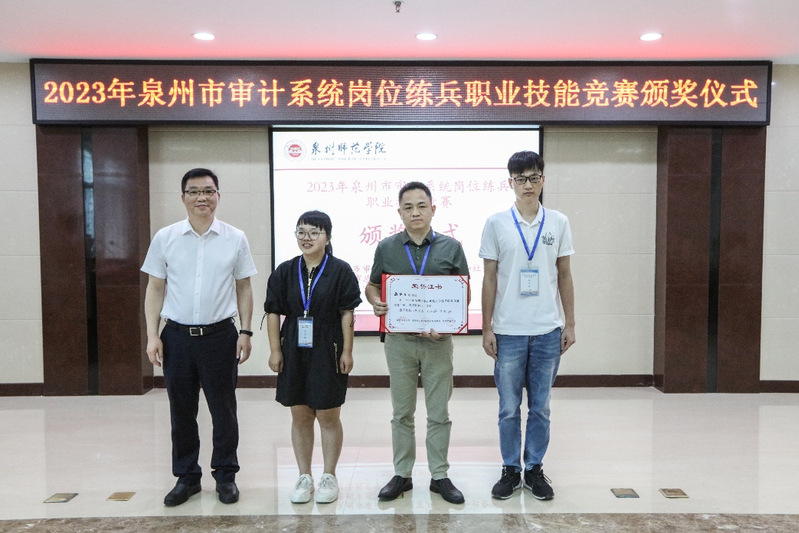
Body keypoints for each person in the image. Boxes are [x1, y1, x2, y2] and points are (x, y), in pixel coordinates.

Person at [142, 168, 256, 507]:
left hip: (221, 336)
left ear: (218, 196)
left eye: (208, 191)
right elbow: (155, 288)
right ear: (183, 198)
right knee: (181, 411)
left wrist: (246, 331)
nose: (201, 197)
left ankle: (226, 475)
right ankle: (187, 477)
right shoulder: (165, 237)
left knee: (224, 411)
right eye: (193, 191)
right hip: (176, 337)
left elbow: (244, 287)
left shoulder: (235, 238)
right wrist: (152, 336)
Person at [365, 181, 470, 505]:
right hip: (399, 342)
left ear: (433, 209)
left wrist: (449, 322)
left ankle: (439, 476)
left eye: (421, 206)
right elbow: (372, 286)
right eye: (408, 207)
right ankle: (402, 474)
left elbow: (462, 294)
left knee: (439, 412)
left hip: (438, 343)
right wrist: (376, 302)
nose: (415, 212)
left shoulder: (452, 247)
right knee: (402, 413)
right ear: (399, 212)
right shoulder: (386, 247)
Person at [479, 150, 575, 501]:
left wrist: (570, 323)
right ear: (511, 183)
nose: (528, 185)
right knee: (508, 408)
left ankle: (534, 468)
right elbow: (489, 278)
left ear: (543, 180)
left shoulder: (558, 222)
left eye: (534, 178)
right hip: (508, 331)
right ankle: (510, 469)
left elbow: (564, 274)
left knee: (541, 407)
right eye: (521, 179)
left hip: (548, 330)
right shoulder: (496, 224)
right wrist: (487, 327)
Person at [264, 210, 362, 504]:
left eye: (314, 232)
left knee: (328, 414)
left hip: (327, 346)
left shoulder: (341, 270)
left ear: (327, 237)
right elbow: (273, 312)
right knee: (300, 414)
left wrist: (347, 351)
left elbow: (347, 313)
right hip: (293, 347)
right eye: (301, 232)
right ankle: (304, 476)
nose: (306, 238)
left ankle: (329, 476)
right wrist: (275, 350)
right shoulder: (284, 270)